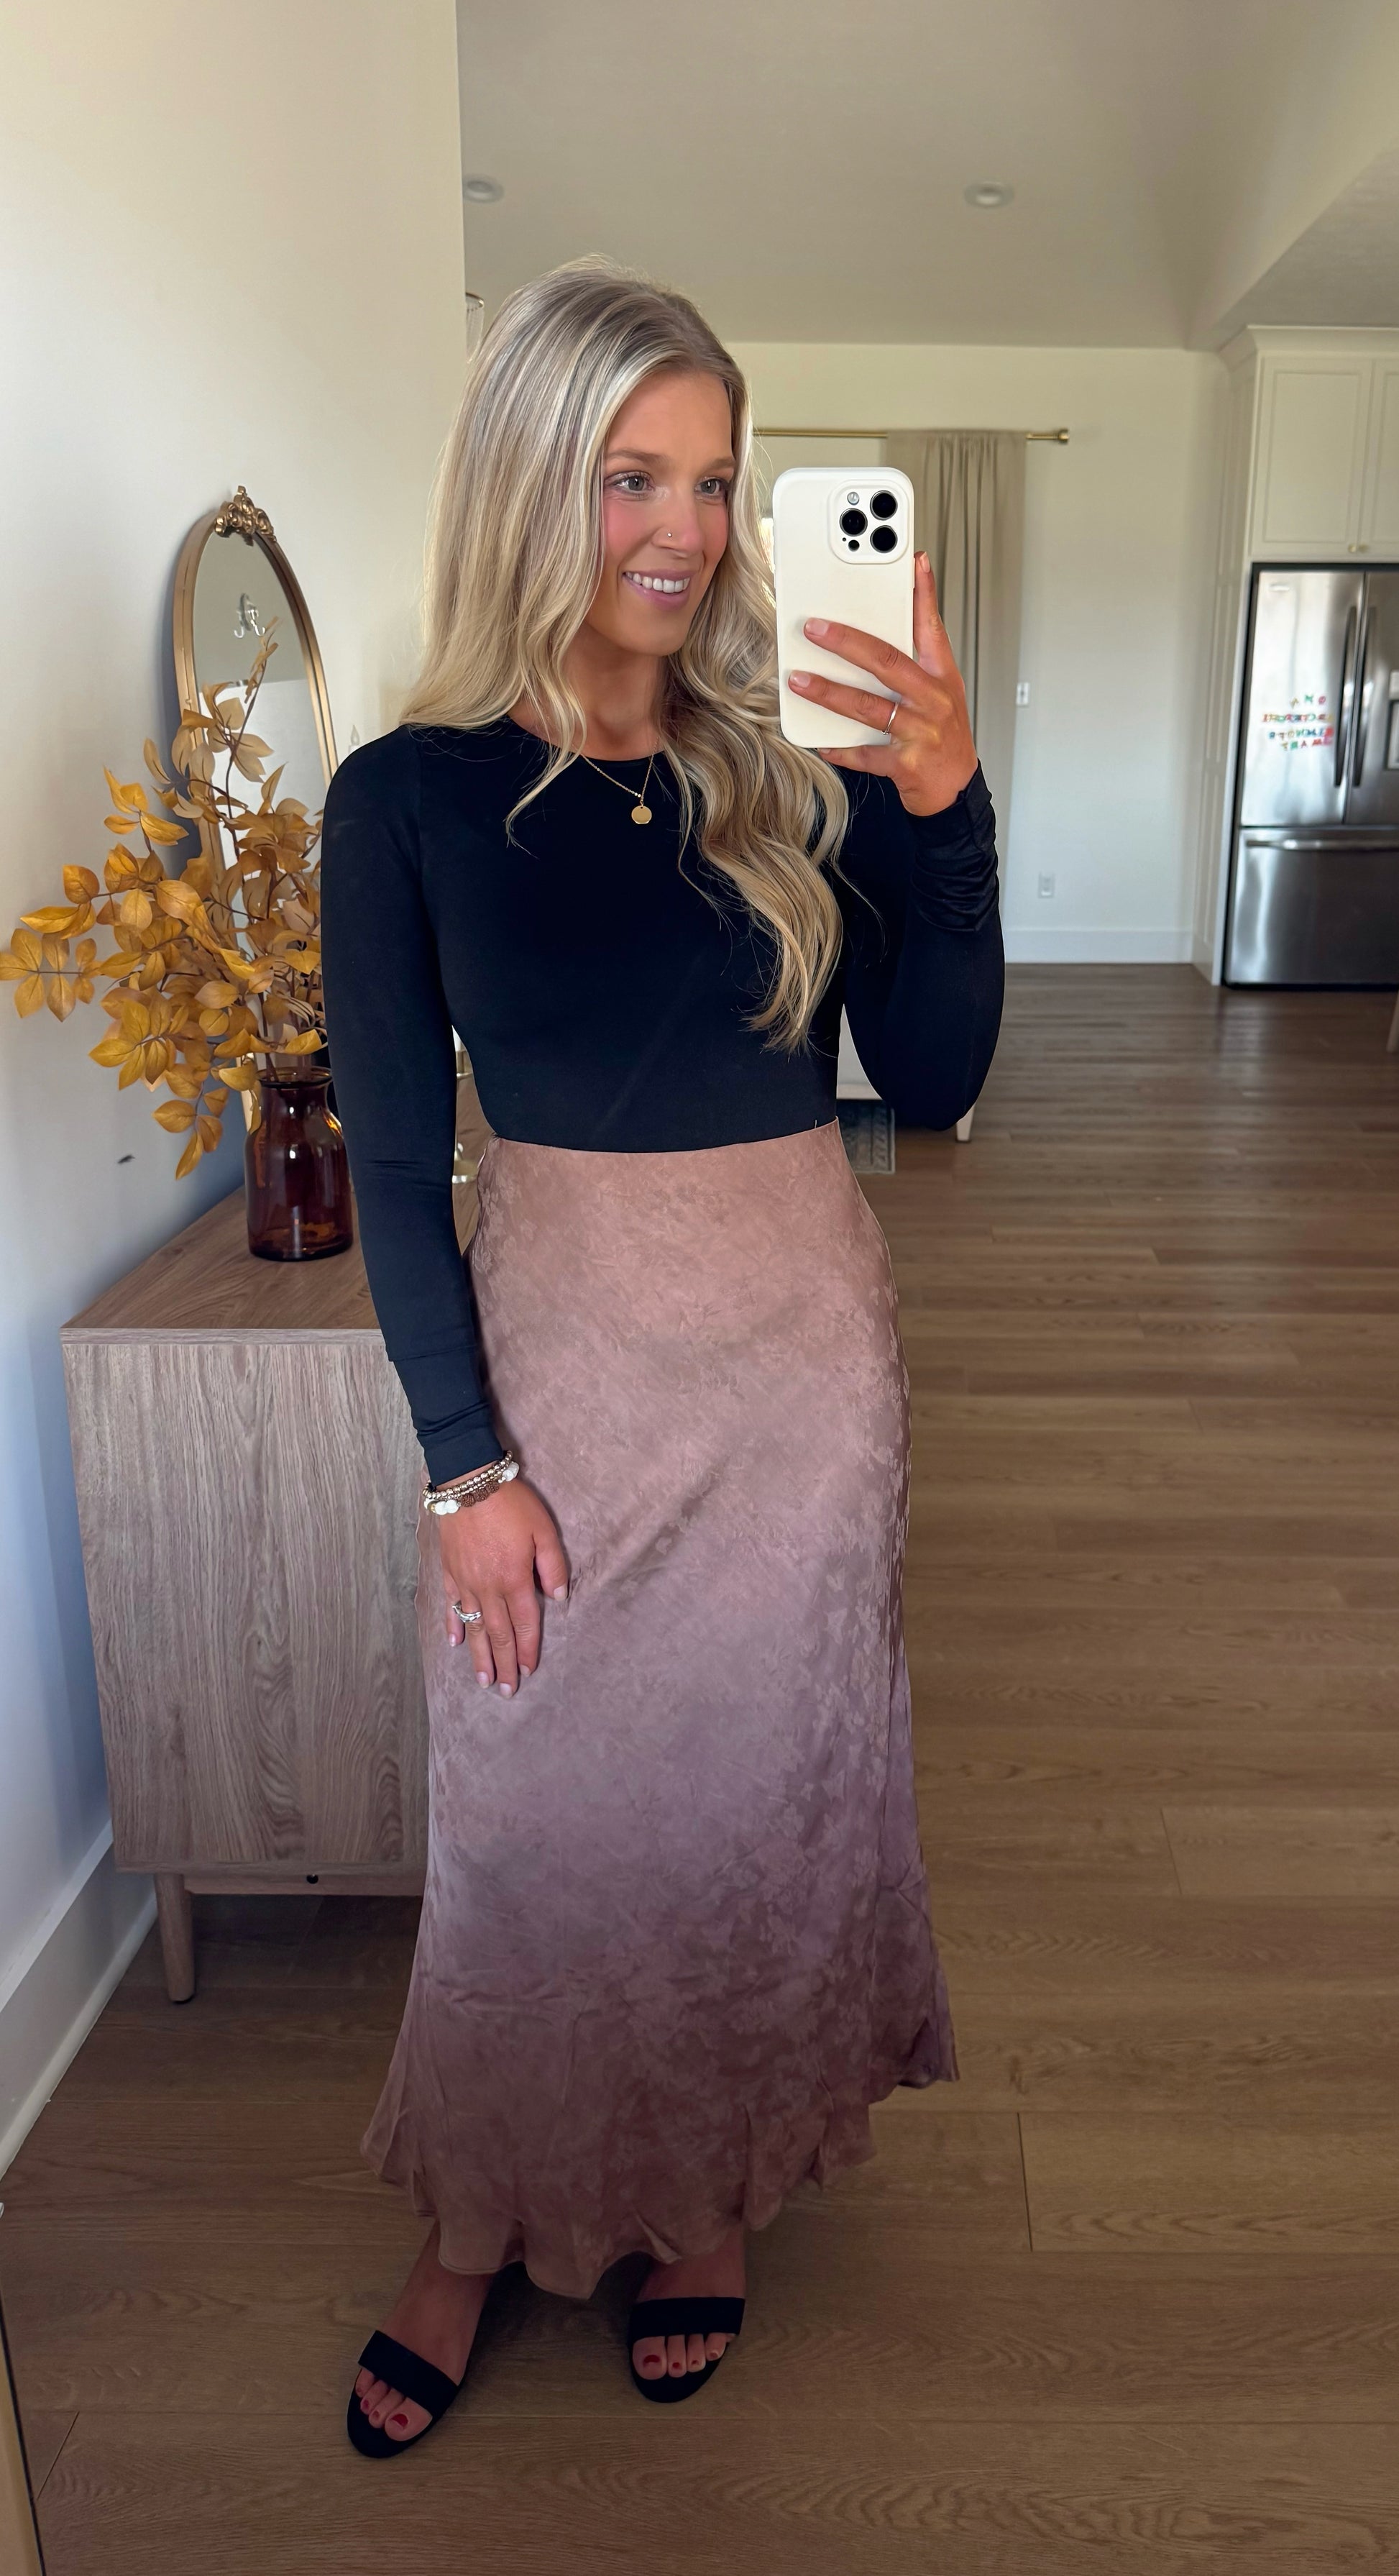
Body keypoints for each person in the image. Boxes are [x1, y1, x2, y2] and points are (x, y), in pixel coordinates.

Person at [320, 257, 1003, 2458]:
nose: (683, 530)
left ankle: (706, 2195)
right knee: (530, 1821)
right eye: (632, 475)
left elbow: (935, 1076)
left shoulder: (783, 771)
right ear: (534, 480)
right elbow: (398, 1161)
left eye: (713, 480)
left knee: (752, 1815)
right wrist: (462, 1466)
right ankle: (475, 2224)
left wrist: (941, 807)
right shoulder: (407, 797)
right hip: (568, 1383)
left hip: (803, 1380)